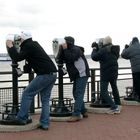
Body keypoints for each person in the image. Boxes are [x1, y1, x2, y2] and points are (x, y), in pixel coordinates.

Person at [6, 31, 57, 130]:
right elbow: (31, 60)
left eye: (20, 39)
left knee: (27, 94)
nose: (19, 41)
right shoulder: (33, 45)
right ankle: (45, 124)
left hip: (44, 74)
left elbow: (17, 57)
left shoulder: (28, 46)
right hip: (52, 73)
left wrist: (10, 46)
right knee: (45, 100)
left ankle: (21, 118)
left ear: (23, 38)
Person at [61, 36, 90, 122]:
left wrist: (65, 50)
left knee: (78, 93)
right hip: (77, 75)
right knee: (75, 93)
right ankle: (83, 110)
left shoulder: (76, 49)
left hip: (82, 74)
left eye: (64, 42)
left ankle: (76, 114)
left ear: (69, 43)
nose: (63, 44)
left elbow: (71, 58)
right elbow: (64, 58)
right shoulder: (69, 50)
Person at [91, 36, 121, 114]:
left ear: (104, 42)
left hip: (106, 73)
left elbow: (94, 57)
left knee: (103, 91)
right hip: (114, 72)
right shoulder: (115, 49)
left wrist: (94, 48)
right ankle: (118, 104)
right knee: (114, 88)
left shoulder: (104, 50)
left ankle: (114, 107)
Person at [121, 37, 140, 102]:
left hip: (135, 70)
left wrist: (125, 48)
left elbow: (123, 55)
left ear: (132, 41)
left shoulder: (131, 48)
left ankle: (138, 97)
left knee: (137, 83)